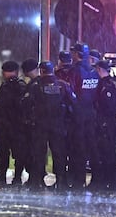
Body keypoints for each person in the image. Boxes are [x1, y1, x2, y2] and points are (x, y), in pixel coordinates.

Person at [23, 60, 76, 190]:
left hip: (40, 125)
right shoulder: (62, 85)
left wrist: (29, 119)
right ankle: (61, 181)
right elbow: (73, 102)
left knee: (39, 153)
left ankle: (38, 181)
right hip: (58, 125)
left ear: (41, 71)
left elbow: (26, 104)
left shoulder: (36, 85)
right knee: (59, 154)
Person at [66, 42, 99, 190]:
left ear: (77, 54)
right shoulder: (93, 71)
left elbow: (70, 92)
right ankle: (96, 180)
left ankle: (78, 180)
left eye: (73, 52)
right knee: (91, 148)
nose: (71, 55)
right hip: (91, 115)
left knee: (77, 149)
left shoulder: (74, 71)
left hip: (77, 116)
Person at [0, 60, 27, 187]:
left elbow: (19, 106)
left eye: (6, 71)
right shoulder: (6, 85)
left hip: (15, 126)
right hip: (5, 126)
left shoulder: (19, 86)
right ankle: (3, 178)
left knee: (17, 154)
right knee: (5, 154)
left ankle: (16, 179)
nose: (4, 73)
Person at [91, 59, 116, 192]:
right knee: (109, 153)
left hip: (106, 125)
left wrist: (102, 122)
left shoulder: (106, 86)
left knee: (106, 154)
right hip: (109, 124)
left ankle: (109, 183)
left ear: (99, 70)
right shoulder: (114, 84)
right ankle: (111, 182)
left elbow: (109, 107)